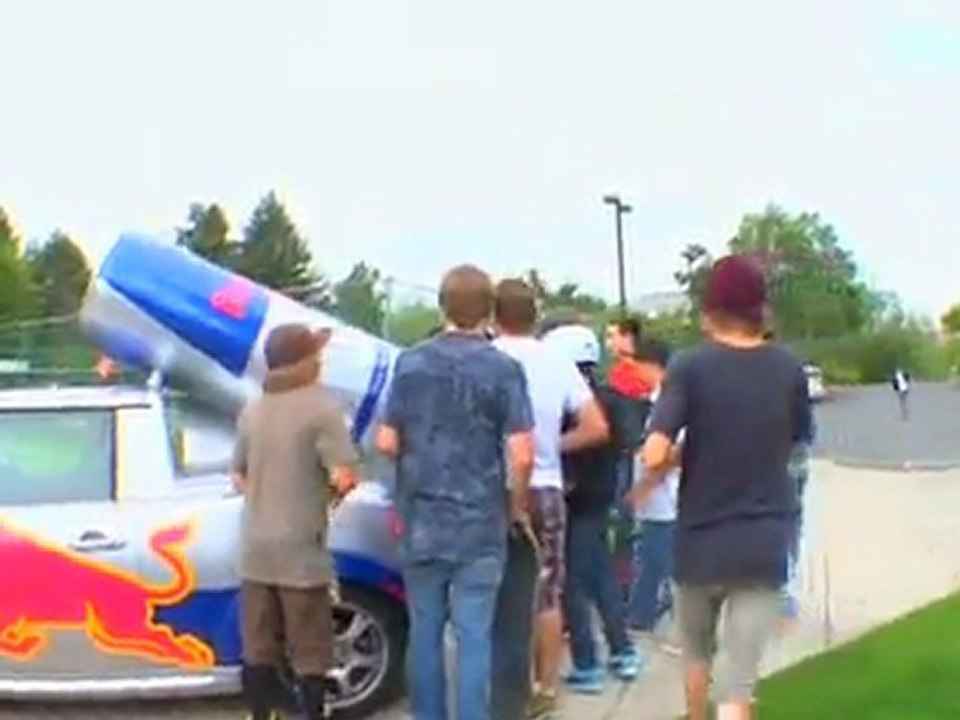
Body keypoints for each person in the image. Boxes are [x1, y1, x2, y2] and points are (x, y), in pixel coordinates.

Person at [633, 255, 813, 720]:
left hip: (700, 539)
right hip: (764, 538)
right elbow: (795, 440)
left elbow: (654, 452)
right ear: (760, 310)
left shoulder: (690, 367)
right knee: (739, 682)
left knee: (697, 654)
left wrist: (671, 458)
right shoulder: (788, 369)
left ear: (710, 309)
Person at [374, 265, 535, 720]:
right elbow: (521, 454)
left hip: (421, 521)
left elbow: (387, 441)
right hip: (480, 522)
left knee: (424, 629)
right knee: (474, 633)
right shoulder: (504, 369)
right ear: (488, 310)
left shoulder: (410, 363)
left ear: (442, 305)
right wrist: (515, 506)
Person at [491, 279, 610, 719]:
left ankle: (505, 687)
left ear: (492, 315)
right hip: (546, 485)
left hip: (492, 486)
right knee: (547, 591)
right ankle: (546, 686)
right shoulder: (557, 361)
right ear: (535, 315)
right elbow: (596, 426)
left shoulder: (488, 358)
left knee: (494, 590)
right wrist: (550, 446)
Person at [231, 323, 360, 720]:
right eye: (316, 356)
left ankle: (259, 716)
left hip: (255, 548)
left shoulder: (252, 409)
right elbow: (343, 475)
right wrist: (329, 499)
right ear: (303, 363)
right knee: (310, 651)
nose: (321, 361)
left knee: (258, 647)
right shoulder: (322, 407)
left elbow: (238, 475)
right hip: (301, 549)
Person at [540, 323, 643, 695]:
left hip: (573, 501)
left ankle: (586, 662)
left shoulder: (573, 405)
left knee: (570, 584)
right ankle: (622, 650)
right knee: (601, 576)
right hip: (602, 498)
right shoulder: (610, 398)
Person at [627, 338, 680, 646]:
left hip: (665, 499)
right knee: (652, 559)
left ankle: (645, 617)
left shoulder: (669, 401)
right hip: (658, 500)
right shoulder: (659, 398)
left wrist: (644, 486)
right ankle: (642, 615)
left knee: (659, 561)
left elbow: (674, 452)